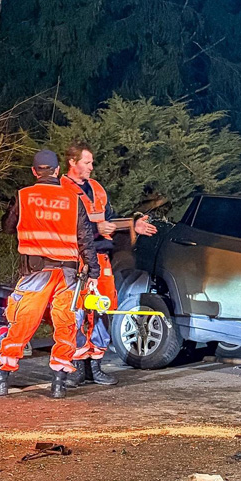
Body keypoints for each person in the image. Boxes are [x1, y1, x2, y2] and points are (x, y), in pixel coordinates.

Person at [0, 149, 100, 398]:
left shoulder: (24, 196)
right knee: (67, 324)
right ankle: (59, 384)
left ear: (34, 171)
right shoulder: (74, 200)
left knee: (21, 323)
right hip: (68, 274)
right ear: (57, 171)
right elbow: (86, 239)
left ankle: (1, 379)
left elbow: (7, 227)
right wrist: (93, 270)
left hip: (35, 272)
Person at [61, 142, 158, 385]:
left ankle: (95, 364)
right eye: (87, 162)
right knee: (77, 312)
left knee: (103, 308)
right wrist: (95, 228)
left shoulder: (97, 188)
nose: (91, 167)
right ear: (72, 162)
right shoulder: (61, 189)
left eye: (91, 162)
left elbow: (110, 220)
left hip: (101, 258)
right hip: (76, 259)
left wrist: (133, 225)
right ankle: (76, 366)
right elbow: (61, 226)